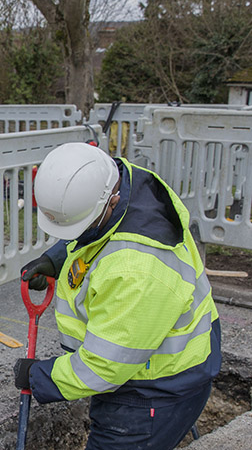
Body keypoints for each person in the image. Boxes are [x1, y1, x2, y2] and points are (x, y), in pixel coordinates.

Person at [14, 142, 221, 450]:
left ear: (111, 201)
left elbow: (104, 367)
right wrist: (58, 259)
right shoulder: (125, 181)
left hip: (153, 392)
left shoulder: (135, 271)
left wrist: (40, 376)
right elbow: (97, 235)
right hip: (150, 366)